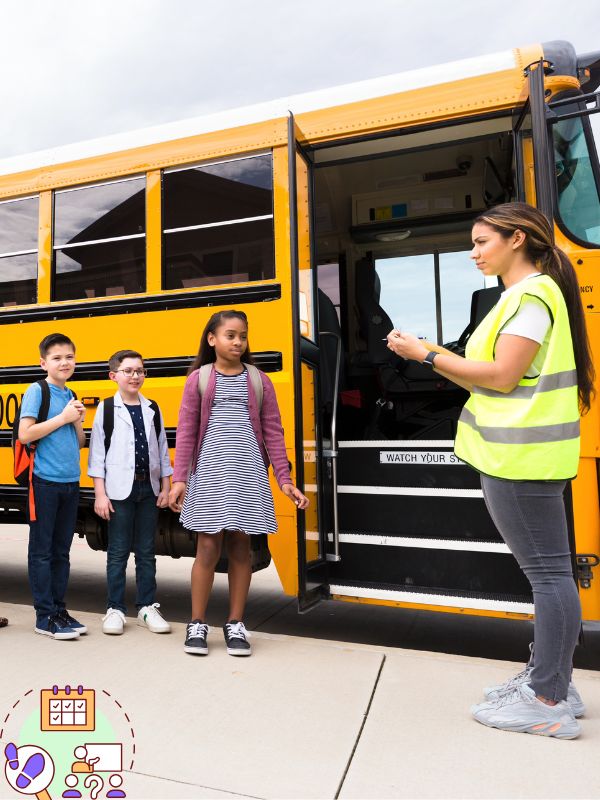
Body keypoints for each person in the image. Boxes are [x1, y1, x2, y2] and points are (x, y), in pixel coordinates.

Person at [386, 202, 594, 740]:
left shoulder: (529, 296)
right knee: (552, 574)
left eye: (482, 242)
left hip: (518, 456)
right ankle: (554, 681)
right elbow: (492, 377)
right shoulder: (532, 294)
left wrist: (424, 355)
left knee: (548, 577)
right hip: (522, 454)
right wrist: (428, 352)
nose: (473, 252)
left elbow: (501, 376)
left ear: (517, 238)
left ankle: (546, 699)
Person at [169, 310, 309, 656]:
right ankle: (197, 623)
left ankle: (235, 623)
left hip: (248, 473)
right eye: (230, 335)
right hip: (210, 472)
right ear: (212, 339)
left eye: (243, 336)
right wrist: (179, 479)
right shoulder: (199, 379)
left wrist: (285, 479)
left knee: (241, 547)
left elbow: (274, 432)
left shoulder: (259, 380)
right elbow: (185, 432)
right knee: (207, 547)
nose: (238, 342)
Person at [88, 350, 173, 635]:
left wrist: (166, 486)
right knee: (118, 551)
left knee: (147, 552)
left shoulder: (152, 408)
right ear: (114, 376)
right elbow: (97, 455)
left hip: (148, 488)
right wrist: (100, 494)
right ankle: (115, 609)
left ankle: (147, 607)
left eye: (140, 371)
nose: (135, 376)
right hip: (118, 490)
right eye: (128, 371)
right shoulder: (106, 409)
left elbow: (162, 449)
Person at [18, 333, 87, 640]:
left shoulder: (70, 393)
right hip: (44, 482)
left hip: (70, 482)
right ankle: (44, 616)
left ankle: (59, 610)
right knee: (42, 552)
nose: (64, 362)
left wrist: (77, 421)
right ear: (43, 363)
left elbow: (80, 442)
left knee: (61, 552)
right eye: (57, 358)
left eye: (69, 357)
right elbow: (25, 434)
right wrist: (63, 417)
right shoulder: (38, 390)